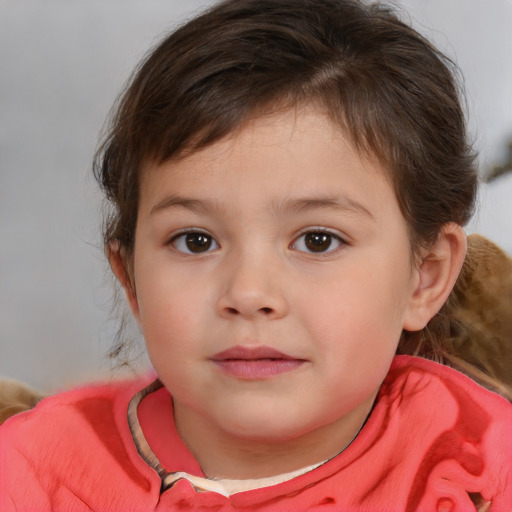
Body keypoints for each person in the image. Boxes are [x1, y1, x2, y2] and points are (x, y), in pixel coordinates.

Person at [1, 0, 510, 510]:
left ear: (424, 276)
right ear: (131, 279)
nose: (249, 293)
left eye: (317, 240)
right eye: (195, 241)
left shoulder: (481, 464)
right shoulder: (36, 474)